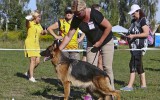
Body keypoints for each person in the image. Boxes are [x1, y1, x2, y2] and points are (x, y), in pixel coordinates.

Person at [59, 0, 115, 99]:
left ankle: (110, 94)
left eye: (78, 13)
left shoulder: (94, 14)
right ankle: (91, 94)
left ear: (84, 9)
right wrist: (58, 50)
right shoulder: (76, 19)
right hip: (91, 42)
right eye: (74, 13)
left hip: (106, 40)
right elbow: (68, 36)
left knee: (107, 67)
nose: (76, 15)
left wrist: (100, 42)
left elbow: (109, 26)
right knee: (89, 68)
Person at [120, 4, 149, 91]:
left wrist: (134, 36)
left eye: (133, 13)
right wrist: (126, 36)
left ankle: (129, 86)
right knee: (139, 64)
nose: (132, 15)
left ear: (138, 11)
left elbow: (146, 33)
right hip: (133, 46)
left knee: (132, 64)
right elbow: (131, 32)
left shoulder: (143, 20)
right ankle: (143, 85)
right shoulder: (133, 21)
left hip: (139, 46)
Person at [24, 10, 47, 82]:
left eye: (40, 17)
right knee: (33, 60)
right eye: (38, 17)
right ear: (34, 18)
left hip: (37, 44)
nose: (40, 19)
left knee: (37, 62)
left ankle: (28, 72)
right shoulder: (30, 23)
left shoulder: (39, 25)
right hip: (29, 43)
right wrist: (28, 18)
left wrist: (45, 32)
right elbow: (27, 22)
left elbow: (42, 32)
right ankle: (31, 77)